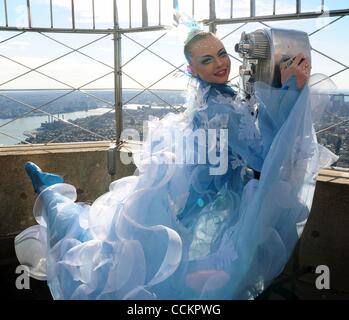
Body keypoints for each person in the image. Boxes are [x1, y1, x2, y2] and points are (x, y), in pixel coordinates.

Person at [15, 31, 337, 300]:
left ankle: (55, 200)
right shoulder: (221, 109)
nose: (222, 63)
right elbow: (265, 158)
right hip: (212, 209)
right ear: (192, 68)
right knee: (160, 276)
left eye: (223, 53)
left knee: (115, 253)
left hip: (203, 203)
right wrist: (286, 94)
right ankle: (54, 202)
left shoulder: (212, 96)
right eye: (207, 60)